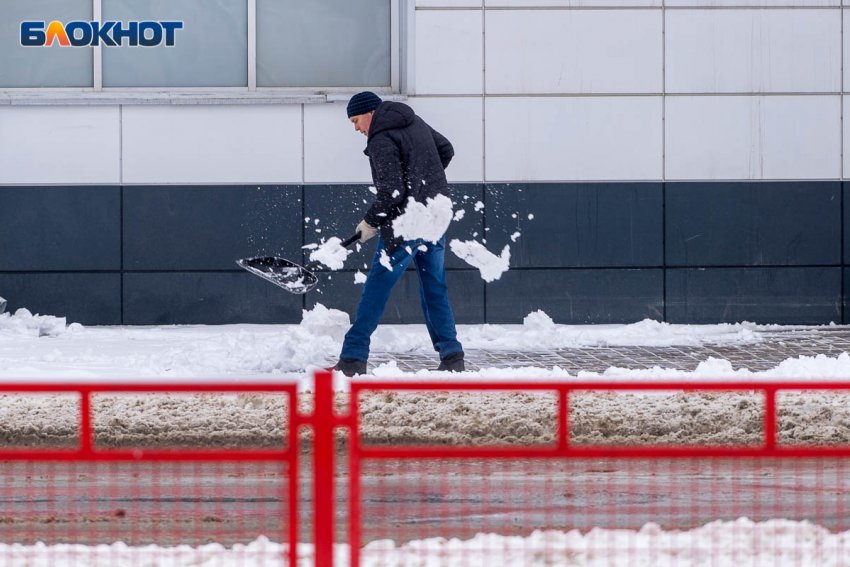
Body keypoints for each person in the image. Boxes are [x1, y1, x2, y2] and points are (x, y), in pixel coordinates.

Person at [332, 91, 465, 377]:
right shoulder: (414, 121)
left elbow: (392, 191)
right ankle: (452, 355)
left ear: (370, 113)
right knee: (434, 289)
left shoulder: (380, 138)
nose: (357, 128)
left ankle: (353, 358)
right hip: (434, 216)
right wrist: (424, 183)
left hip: (407, 224)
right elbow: (446, 149)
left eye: (356, 121)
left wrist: (369, 223)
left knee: (376, 288)